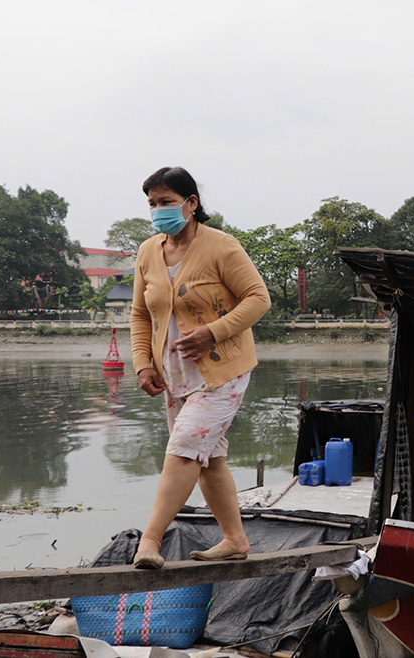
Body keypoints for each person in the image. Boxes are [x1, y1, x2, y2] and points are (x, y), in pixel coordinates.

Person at [130, 167, 271, 569]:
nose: (158, 210)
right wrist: (143, 364)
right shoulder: (147, 252)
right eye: (152, 203)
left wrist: (213, 332)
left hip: (222, 370)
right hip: (174, 374)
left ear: (191, 203)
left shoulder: (221, 246)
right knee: (210, 459)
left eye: (166, 202)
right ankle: (235, 539)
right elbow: (140, 314)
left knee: (186, 448)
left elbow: (258, 298)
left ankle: (149, 541)